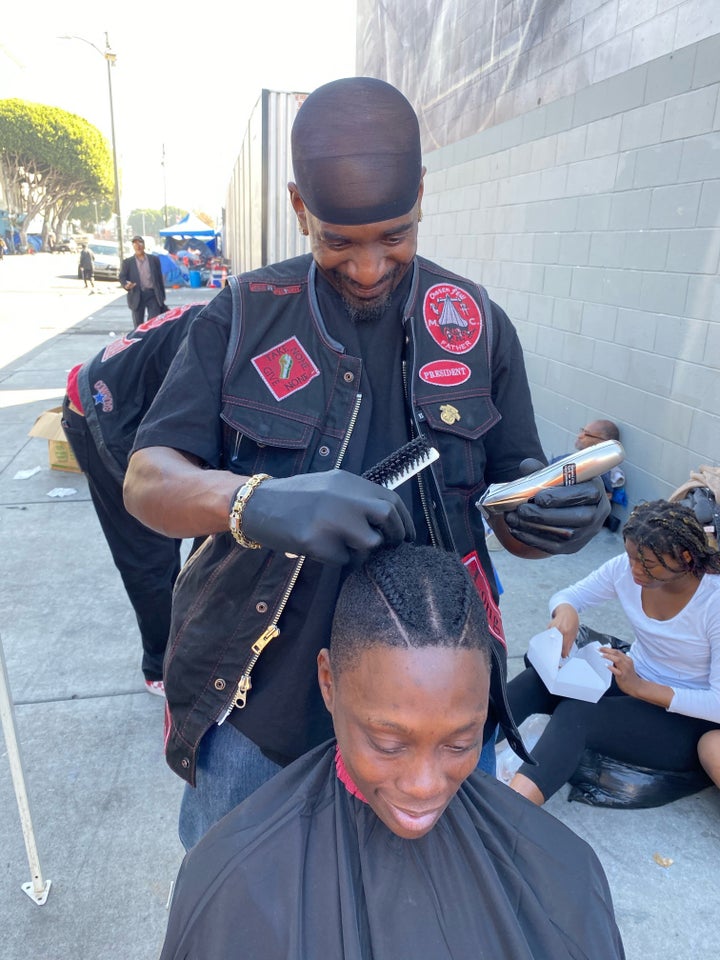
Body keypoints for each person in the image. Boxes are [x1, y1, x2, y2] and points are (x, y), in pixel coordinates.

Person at [123, 76, 610, 850]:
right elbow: (147, 478)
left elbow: (511, 501)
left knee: (433, 902)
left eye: (396, 235)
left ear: (421, 193)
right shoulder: (244, 314)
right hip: (263, 702)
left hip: (436, 708)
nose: (369, 265)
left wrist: (550, 516)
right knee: (244, 898)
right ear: (297, 207)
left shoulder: (476, 323)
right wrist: (252, 502)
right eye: (338, 241)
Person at [159, 544, 626, 960]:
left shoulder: (566, 874)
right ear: (328, 682)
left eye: (461, 743)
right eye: (388, 744)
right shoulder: (232, 884)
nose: (424, 785)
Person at [505, 499, 720, 806]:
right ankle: (456, 754)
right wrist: (565, 612)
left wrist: (641, 688)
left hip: (687, 718)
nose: (635, 570)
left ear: (685, 557)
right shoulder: (627, 569)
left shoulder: (714, 600)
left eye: (647, 563)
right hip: (635, 678)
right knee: (536, 681)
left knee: (577, 715)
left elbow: (717, 704)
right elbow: (569, 595)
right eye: (631, 557)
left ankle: (509, 815)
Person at [61, 302, 208, 696]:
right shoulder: (222, 333)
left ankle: (184, 642)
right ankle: (160, 667)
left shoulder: (235, 312)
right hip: (105, 416)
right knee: (150, 552)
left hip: (138, 402)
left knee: (193, 532)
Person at [119, 235, 167, 328]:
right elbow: (122, 277)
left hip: (152, 294)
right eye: (135, 243)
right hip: (137, 295)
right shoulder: (128, 262)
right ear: (133, 246)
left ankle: (151, 339)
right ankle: (139, 341)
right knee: (138, 325)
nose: (138, 245)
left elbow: (159, 279)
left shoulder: (153, 260)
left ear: (144, 245)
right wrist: (126, 285)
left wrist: (162, 296)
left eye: (140, 242)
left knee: (154, 322)